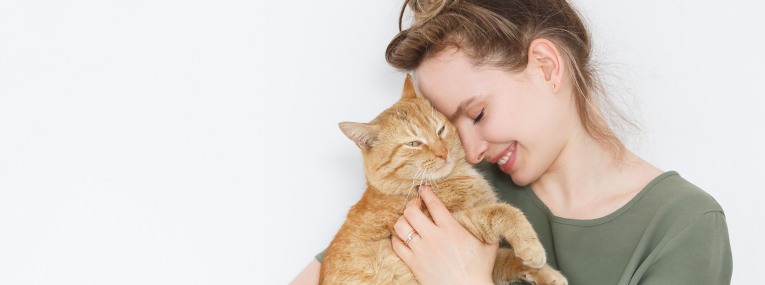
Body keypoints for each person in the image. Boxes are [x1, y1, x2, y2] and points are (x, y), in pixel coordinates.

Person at [290, 0, 732, 284]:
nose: (470, 149)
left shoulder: (683, 227)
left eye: (478, 114)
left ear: (545, 66)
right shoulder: (454, 183)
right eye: (449, 123)